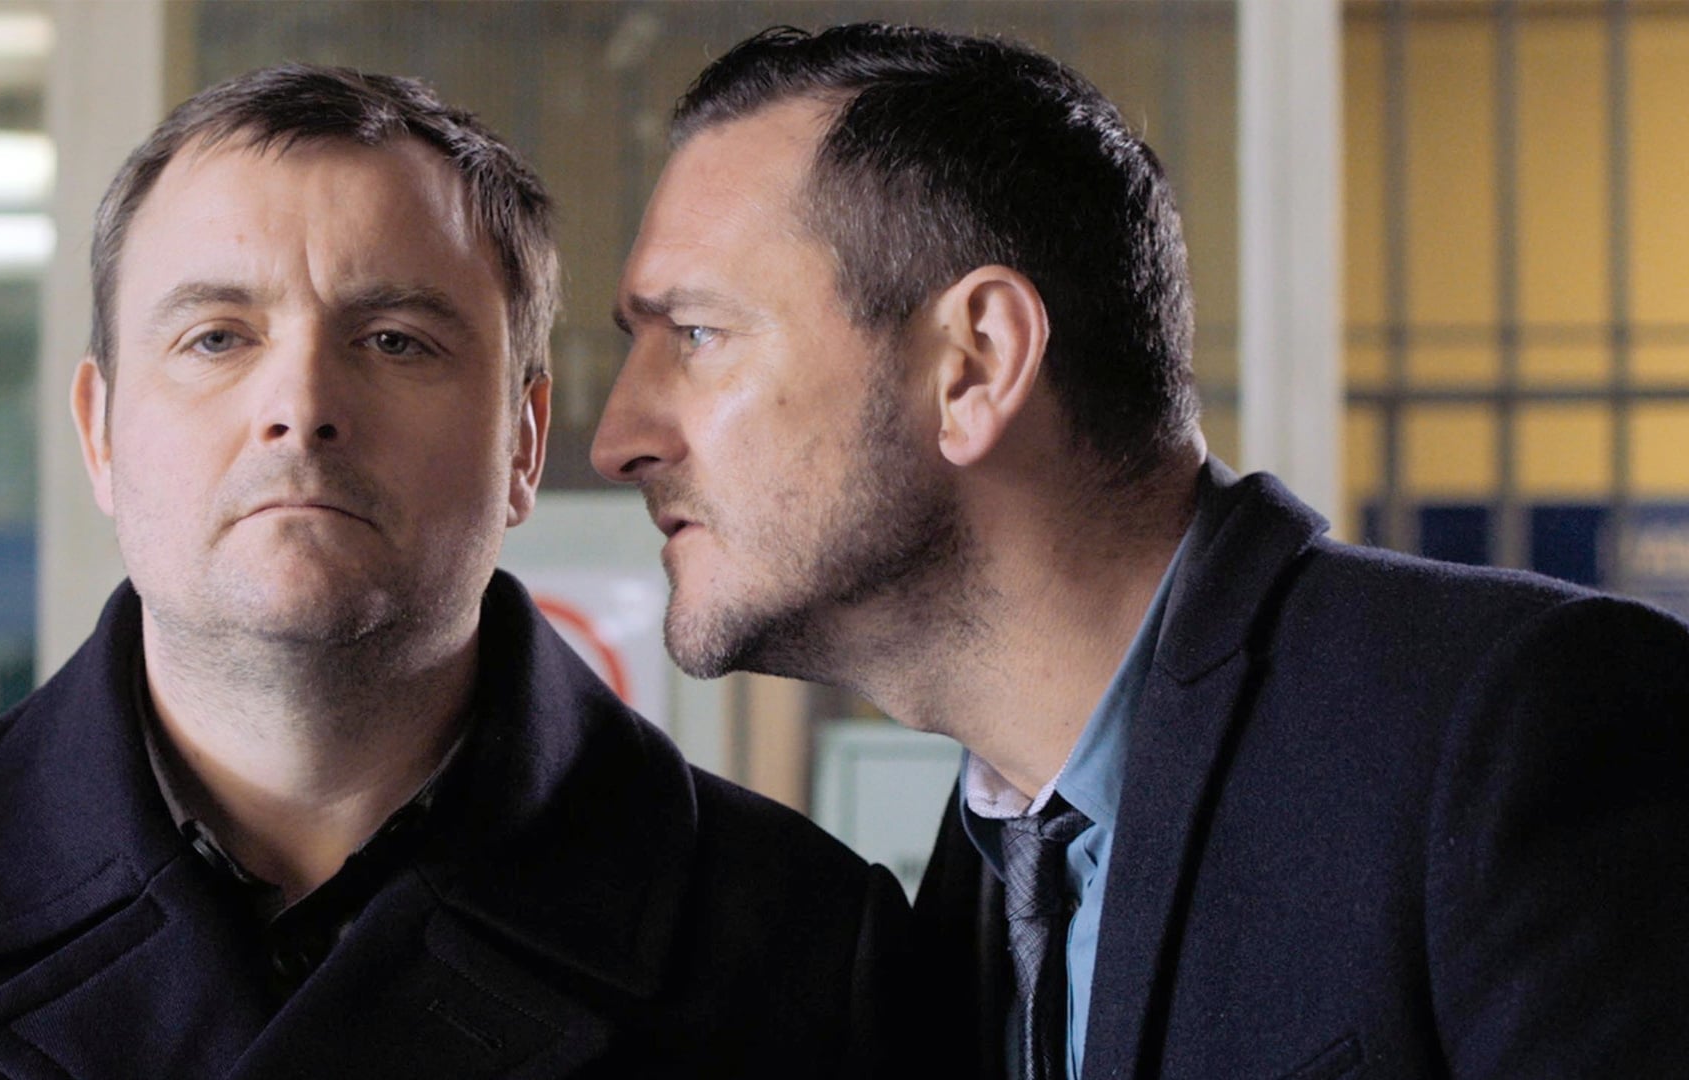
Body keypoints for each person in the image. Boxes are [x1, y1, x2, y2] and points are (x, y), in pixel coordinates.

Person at [0, 63, 915, 1079]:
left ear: (522, 444)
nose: (302, 406)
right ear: (100, 434)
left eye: (395, 341)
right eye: (217, 337)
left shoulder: (812, 952)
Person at [593, 22, 1689, 1080]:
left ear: (976, 364)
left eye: (697, 334)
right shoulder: (981, 881)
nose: (617, 440)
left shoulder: (1513, 729)